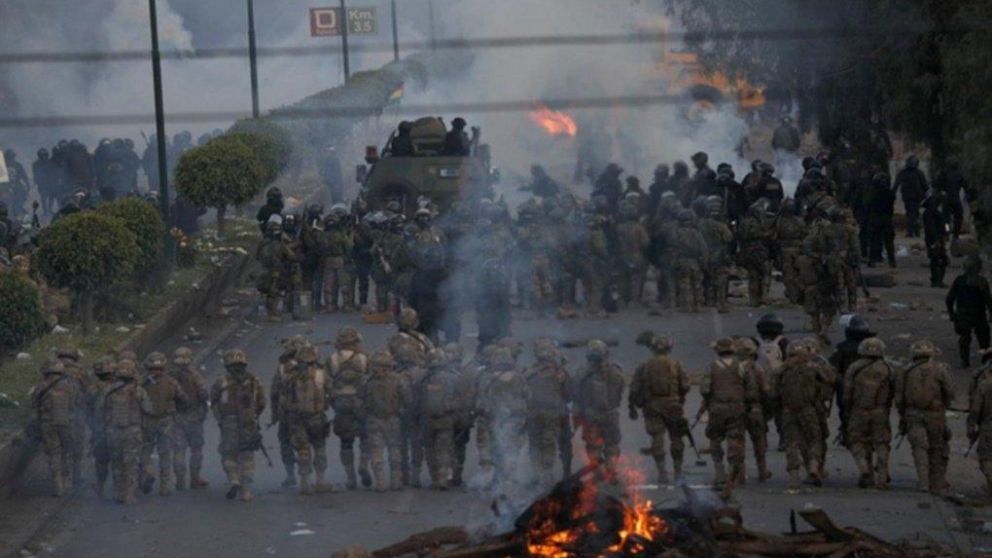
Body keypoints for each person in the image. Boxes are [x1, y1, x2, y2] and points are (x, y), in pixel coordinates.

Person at [895, 340, 953, 494]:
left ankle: (923, 482)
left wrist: (902, 414)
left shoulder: (905, 371)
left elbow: (899, 398)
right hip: (935, 415)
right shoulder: (940, 370)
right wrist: (944, 406)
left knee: (919, 448)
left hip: (913, 415)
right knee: (937, 447)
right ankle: (937, 482)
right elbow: (950, 392)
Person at [629, 333, 688, 484]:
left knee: (657, 438)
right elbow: (685, 386)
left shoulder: (644, 366)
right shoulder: (676, 364)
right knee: (676, 438)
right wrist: (680, 399)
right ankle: (678, 473)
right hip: (673, 406)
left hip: (652, 407)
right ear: (669, 348)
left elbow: (634, 389)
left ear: (653, 348)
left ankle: (662, 474)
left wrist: (633, 406)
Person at [212, 350, 267, 502]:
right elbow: (262, 402)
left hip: (228, 422)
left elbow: (214, 402)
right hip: (248, 423)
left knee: (228, 454)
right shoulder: (254, 381)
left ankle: (233, 479)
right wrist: (254, 415)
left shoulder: (221, 381)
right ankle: (246, 491)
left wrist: (220, 419)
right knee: (247, 456)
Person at [842, 338, 894, 489]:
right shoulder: (887, 368)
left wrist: (847, 410)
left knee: (856, 441)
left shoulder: (854, 368)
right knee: (882, 443)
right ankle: (882, 477)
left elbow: (847, 392)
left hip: (858, 410)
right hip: (880, 411)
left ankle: (864, 468)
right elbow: (894, 391)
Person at [97, 359, 151, 504]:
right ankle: (129, 495)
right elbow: (148, 409)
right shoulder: (138, 390)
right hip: (132, 431)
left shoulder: (108, 390)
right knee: (131, 463)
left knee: (116, 462)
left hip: (113, 431)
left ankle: (118, 493)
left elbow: (99, 410)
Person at [775, 342, 825, 489]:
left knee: (791, 443)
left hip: (788, 411)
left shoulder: (782, 370)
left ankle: (794, 477)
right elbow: (829, 379)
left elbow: (772, 391)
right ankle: (814, 468)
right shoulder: (813, 368)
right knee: (815, 439)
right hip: (808, 409)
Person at [699, 338, 747, 491]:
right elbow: (748, 387)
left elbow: (705, 389)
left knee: (715, 440)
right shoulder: (740, 366)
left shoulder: (712, 367)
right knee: (735, 440)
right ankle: (735, 475)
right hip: (737, 408)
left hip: (717, 410)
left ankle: (720, 474)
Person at [29, 359, 82, 497]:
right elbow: (77, 403)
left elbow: (34, 405)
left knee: (54, 454)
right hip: (67, 423)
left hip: (48, 424)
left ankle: (57, 484)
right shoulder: (71, 385)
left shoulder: (40, 387)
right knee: (67, 452)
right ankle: (68, 482)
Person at [479, 347, 529, 492]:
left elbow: (482, 399)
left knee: (497, 449)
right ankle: (509, 480)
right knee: (511, 449)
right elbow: (527, 395)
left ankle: (500, 480)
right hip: (516, 418)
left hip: (496, 419)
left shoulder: (489, 378)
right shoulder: (519, 377)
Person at [574, 340, 626, 478]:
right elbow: (620, 391)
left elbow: (575, 393)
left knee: (593, 446)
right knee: (612, 445)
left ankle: (598, 473)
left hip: (591, 417)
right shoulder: (615, 371)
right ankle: (611, 471)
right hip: (611, 415)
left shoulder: (582, 373)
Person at [140, 352, 189, 497]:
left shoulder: (142, 382)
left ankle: (148, 472)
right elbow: (183, 399)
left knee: (145, 451)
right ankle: (165, 485)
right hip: (166, 420)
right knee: (165, 453)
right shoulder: (171, 382)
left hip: (147, 420)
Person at [285, 344, 332, 494]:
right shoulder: (321, 374)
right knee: (320, 448)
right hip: (316, 417)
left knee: (302, 450)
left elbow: (283, 398)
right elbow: (331, 392)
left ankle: (304, 482)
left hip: (296, 419)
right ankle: (320, 480)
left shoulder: (290, 376)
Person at [328, 327, 371, 489]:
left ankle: (350, 476)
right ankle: (364, 464)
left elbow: (327, 382)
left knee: (346, 442)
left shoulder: (332, 359)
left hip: (341, 403)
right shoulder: (364, 358)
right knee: (365, 437)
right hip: (360, 402)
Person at [526, 338, 572, 488]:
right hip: (553, 414)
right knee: (549, 444)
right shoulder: (560, 373)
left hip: (533, 414)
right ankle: (547, 474)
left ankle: (536, 474)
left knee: (534, 444)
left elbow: (523, 394)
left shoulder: (529, 372)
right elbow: (569, 395)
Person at [360, 350, 409, 491]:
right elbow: (407, 399)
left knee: (376, 452)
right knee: (395, 451)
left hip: (373, 420)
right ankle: (395, 482)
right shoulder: (399, 379)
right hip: (393, 419)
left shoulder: (366, 381)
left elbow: (360, 400)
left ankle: (380, 482)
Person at [417, 349, 458, 490]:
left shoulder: (423, 379)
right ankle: (443, 478)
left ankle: (434, 477)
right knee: (444, 450)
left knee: (430, 450)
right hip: (445, 419)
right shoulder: (452, 378)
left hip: (427, 420)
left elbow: (417, 399)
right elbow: (458, 398)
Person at [269, 335, 307, 487]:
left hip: (286, 412)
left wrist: (274, 414)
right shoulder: (313, 366)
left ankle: (290, 474)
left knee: (285, 443)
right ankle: (306, 477)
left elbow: (274, 392)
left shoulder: (282, 367)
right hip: (307, 413)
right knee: (305, 444)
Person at [170, 347, 209, 491]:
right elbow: (204, 394)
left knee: (179, 451)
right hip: (194, 418)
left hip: (176, 418)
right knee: (196, 450)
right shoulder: (195, 376)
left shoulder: (169, 377)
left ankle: (180, 481)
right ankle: (194, 479)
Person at [946, 255, 992, 368]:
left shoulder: (959, 280)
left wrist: (951, 313)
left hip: (963, 314)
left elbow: (949, 299)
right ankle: (986, 361)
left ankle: (965, 361)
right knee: (984, 338)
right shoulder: (982, 281)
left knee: (964, 338)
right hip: (979, 314)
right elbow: (988, 301)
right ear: (979, 268)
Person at [88, 356, 117, 498]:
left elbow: (85, 409)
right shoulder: (122, 386)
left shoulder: (92, 389)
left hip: (100, 429)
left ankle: (100, 486)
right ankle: (121, 489)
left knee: (101, 460)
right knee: (119, 460)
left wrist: (93, 426)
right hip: (118, 428)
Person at [672, 209, 708, 313]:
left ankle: (686, 306)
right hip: (695, 262)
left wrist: (673, 262)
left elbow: (674, 248)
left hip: (682, 262)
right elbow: (704, 249)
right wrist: (704, 263)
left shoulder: (677, 233)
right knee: (697, 284)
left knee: (684, 284)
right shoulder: (697, 233)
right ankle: (698, 305)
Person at [968, 359, 992, 498]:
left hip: (988, 428)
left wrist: (971, 427)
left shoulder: (985, 385)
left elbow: (975, 410)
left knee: (986, 459)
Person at [894, 155, 928, 238]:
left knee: (911, 214)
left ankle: (912, 231)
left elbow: (925, 185)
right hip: (912, 197)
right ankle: (914, 231)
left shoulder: (910, 173)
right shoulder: (916, 172)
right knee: (912, 214)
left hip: (912, 197)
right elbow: (925, 185)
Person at [922, 190, 949, 288]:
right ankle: (936, 280)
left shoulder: (938, 212)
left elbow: (946, 223)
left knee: (942, 259)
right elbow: (931, 227)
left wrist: (946, 232)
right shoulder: (929, 213)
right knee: (936, 258)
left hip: (939, 238)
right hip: (933, 239)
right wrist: (936, 239)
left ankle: (938, 280)